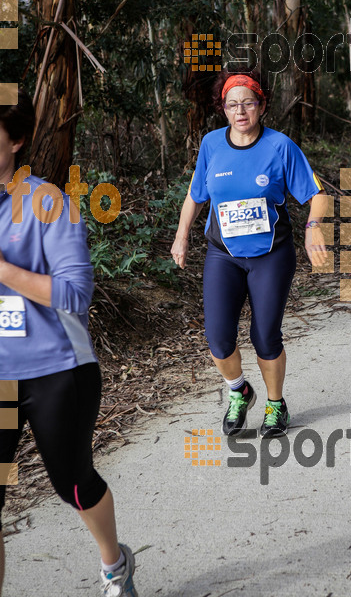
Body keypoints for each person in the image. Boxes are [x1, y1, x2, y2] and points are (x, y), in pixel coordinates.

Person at [0, 91, 138, 596]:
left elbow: (75, 294)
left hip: (56, 369)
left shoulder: (47, 202)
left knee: (72, 483)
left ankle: (115, 564)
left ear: (15, 142)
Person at [171, 69, 327, 437]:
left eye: (248, 103)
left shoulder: (280, 146)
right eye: (232, 104)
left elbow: (317, 195)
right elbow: (195, 196)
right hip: (223, 254)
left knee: (265, 335)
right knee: (219, 337)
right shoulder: (211, 144)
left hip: (271, 253)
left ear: (262, 105)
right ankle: (239, 390)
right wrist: (181, 237)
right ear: (222, 109)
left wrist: (313, 228)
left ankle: (276, 405)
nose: (240, 111)